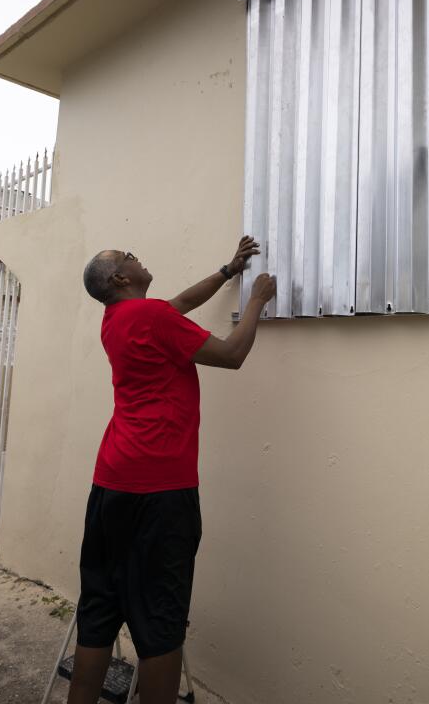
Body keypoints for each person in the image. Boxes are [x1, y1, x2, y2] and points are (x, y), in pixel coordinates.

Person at [68, 236, 277, 704]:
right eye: (128, 256)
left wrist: (228, 270)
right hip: (160, 489)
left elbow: (180, 303)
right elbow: (231, 355)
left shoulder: (119, 319)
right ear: (121, 277)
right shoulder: (151, 317)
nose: (136, 256)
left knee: (100, 608)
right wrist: (257, 301)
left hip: (111, 483)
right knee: (160, 616)